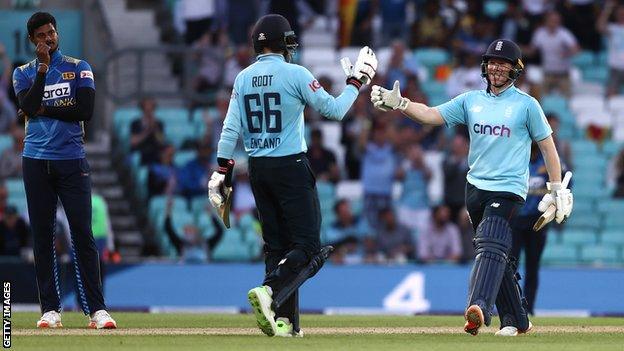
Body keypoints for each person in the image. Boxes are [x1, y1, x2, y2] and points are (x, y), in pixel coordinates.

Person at [371, 38, 573, 336]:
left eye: (503, 63)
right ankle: (517, 320)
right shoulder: (470, 101)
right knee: (497, 252)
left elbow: (548, 148)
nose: (496, 68)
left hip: (509, 188)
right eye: (492, 62)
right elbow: (431, 115)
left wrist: (556, 188)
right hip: (475, 188)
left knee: (490, 242)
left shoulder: (527, 105)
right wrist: (401, 104)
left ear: (515, 69)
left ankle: (478, 306)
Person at [209, 14, 377, 337]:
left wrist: (223, 168)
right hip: (290, 165)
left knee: (277, 247)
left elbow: (230, 130)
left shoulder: (243, 78)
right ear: (281, 43)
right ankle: (270, 292)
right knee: (309, 248)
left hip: (257, 168)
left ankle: (286, 323)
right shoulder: (295, 73)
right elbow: (334, 110)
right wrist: (356, 83)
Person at [12, 12, 116, 329]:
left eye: (52, 32)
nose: (49, 38)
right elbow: (28, 108)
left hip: (72, 160)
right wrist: (43, 70)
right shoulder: (23, 73)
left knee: (83, 235)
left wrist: (44, 107)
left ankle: (97, 310)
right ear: (33, 40)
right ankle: (51, 310)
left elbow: (85, 110)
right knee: (43, 236)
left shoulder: (78, 67)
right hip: (36, 160)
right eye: (42, 35)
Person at [510, 143, 550, 315]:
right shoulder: (517, 159)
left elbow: (565, 181)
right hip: (516, 220)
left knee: (532, 266)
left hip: (537, 221)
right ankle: (511, 306)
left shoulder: (547, 161)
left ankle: (528, 308)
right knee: (511, 265)